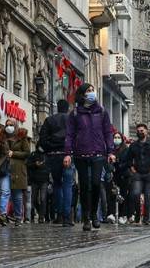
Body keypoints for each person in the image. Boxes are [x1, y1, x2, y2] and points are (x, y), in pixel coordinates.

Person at [65, 83, 114, 231]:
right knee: (85, 186)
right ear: (82, 94)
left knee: (96, 184)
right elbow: (70, 134)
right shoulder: (75, 114)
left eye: (93, 90)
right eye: (88, 90)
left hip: (98, 153)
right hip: (81, 153)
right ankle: (86, 217)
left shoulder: (102, 112)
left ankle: (94, 214)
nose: (92, 93)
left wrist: (111, 151)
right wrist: (68, 153)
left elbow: (108, 132)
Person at [39, 99, 74, 227]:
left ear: (57, 108)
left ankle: (59, 214)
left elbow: (42, 138)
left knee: (57, 185)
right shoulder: (71, 120)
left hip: (53, 156)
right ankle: (67, 217)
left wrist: (49, 148)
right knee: (68, 185)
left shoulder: (49, 120)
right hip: (68, 155)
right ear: (67, 108)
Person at [0, 119, 30, 226]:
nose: (9, 127)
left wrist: (14, 153)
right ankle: (2, 215)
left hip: (17, 170)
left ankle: (18, 217)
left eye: (11, 125)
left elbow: (27, 153)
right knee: (5, 192)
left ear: (15, 125)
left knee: (17, 196)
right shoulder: (1, 136)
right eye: (7, 125)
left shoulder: (22, 136)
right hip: (4, 169)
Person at [122, 123, 150, 224]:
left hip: (149, 174)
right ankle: (138, 214)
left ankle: (146, 218)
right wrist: (133, 170)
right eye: (138, 131)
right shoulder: (134, 145)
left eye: (142, 131)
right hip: (138, 174)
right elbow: (129, 159)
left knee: (148, 196)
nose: (140, 132)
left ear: (146, 131)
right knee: (135, 194)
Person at [27, 146, 50, 223]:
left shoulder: (47, 155)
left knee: (43, 198)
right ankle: (33, 214)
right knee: (33, 198)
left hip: (44, 180)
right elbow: (28, 165)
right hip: (34, 180)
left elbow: (49, 167)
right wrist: (35, 164)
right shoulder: (33, 154)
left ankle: (41, 216)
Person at [112, 132, 130, 224]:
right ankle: (112, 214)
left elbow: (127, 162)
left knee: (123, 195)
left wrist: (118, 164)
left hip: (123, 175)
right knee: (113, 194)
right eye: (115, 137)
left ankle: (123, 215)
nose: (117, 139)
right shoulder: (111, 150)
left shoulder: (125, 150)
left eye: (118, 137)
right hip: (114, 175)